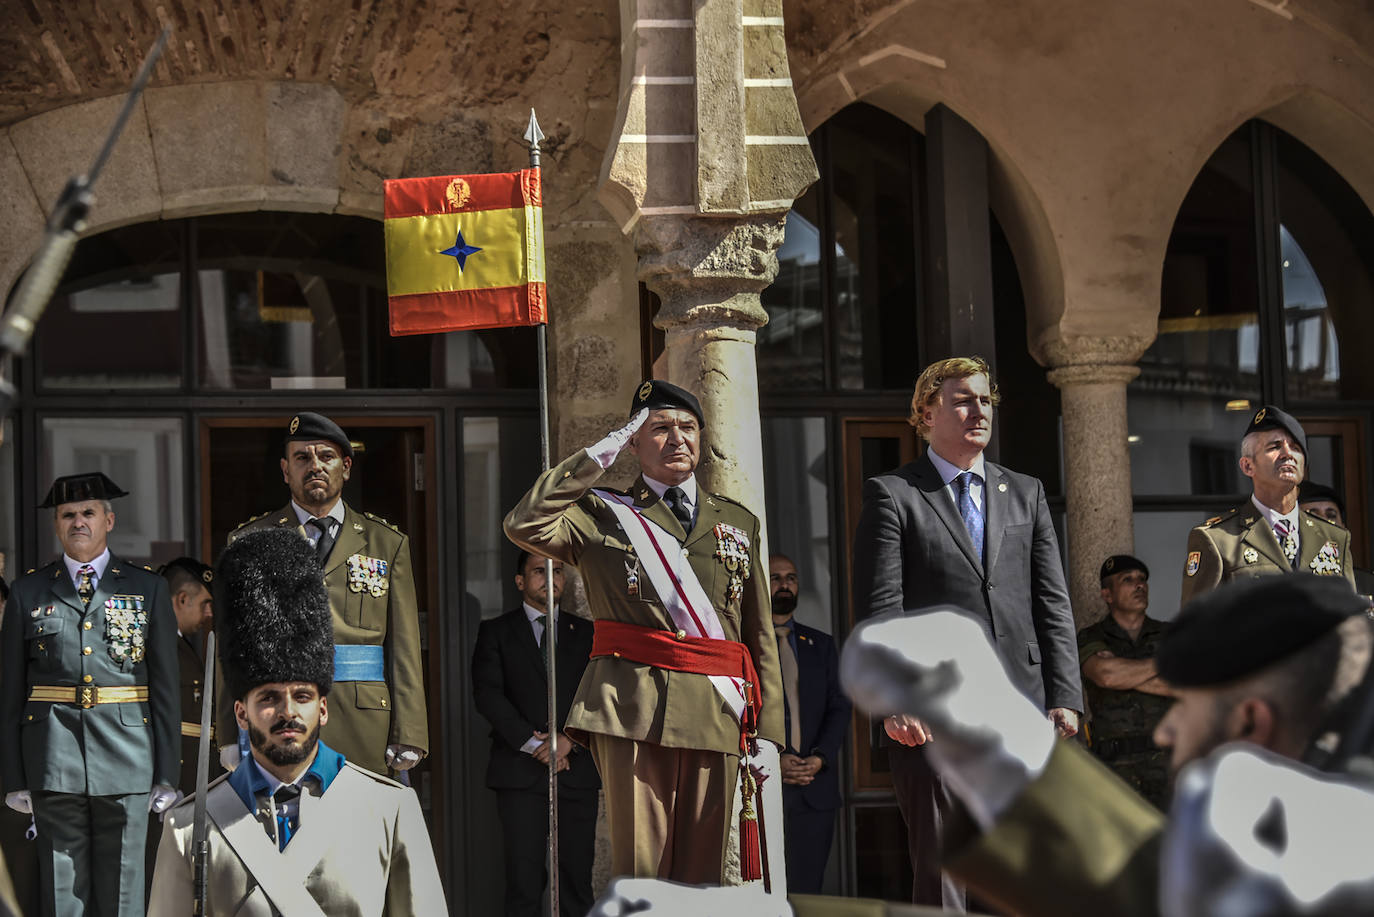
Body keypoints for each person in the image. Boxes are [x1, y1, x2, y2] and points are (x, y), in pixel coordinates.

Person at [839, 573, 1373, 917]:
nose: (1165, 731)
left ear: (1252, 721)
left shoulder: (1311, 854)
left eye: (1183, 706)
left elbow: (1145, 893)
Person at [504, 379, 784, 885]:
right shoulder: (601, 513)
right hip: (633, 706)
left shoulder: (736, 521)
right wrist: (596, 455)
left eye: (687, 427)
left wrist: (770, 732)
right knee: (643, 873)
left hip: (715, 709)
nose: (677, 438)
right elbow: (525, 523)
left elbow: (757, 633)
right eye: (659, 428)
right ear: (632, 443)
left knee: (703, 878)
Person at [849, 355, 1082, 910]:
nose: (979, 410)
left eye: (985, 400)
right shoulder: (894, 494)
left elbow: (1051, 601)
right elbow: (882, 607)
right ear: (925, 414)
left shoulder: (1025, 492)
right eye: (962, 399)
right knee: (946, 875)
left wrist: (1065, 696)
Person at [149, 528, 447, 915]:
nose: (288, 712)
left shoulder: (390, 809)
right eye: (269, 698)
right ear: (241, 713)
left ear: (323, 707)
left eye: (302, 696)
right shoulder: (187, 827)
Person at [0, 472, 180, 917]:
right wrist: (12, 776)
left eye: (88, 512)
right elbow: (8, 692)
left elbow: (165, 688)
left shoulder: (147, 587)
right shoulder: (27, 591)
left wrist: (167, 772)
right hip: (51, 756)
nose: (78, 521)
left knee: (123, 892)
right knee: (62, 893)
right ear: (56, 525)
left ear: (109, 520)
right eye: (67, 514)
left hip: (128, 756)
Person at [223, 412, 427, 776]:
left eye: (326, 457)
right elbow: (233, 642)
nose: (314, 466)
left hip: (363, 717)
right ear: (286, 471)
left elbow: (405, 646)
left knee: (361, 826)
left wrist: (409, 730)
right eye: (302, 458)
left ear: (345, 467)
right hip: (281, 716)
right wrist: (228, 733)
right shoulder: (251, 540)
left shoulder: (386, 543)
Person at [472, 551, 600, 917]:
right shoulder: (496, 631)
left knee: (577, 881)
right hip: (519, 771)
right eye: (538, 571)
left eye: (556, 570)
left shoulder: (588, 633)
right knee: (524, 882)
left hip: (575, 772)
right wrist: (535, 745)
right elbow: (488, 695)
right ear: (520, 581)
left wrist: (569, 741)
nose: (550, 578)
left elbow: (599, 695)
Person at [1181, 405, 1355, 604]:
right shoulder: (1218, 539)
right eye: (1274, 447)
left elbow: (1348, 617)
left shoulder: (1334, 538)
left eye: (1296, 448)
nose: (1287, 453)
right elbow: (1197, 627)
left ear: (1303, 466)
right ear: (1248, 466)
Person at [768, 554, 850, 895]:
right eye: (775, 578)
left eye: (791, 577)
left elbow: (839, 708)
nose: (785, 584)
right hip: (763, 789)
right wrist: (774, 759)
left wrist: (818, 758)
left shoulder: (822, 645)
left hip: (814, 790)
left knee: (806, 890)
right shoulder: (744, 644)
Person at [1077, 555, 1173, 809]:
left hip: (1168, 766)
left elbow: (1186, 685)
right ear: (1107, 595)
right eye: (1127, 580)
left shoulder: (1172, 635)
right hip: (1112, 768)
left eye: (1142, 580)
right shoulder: (1091, 637)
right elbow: (1105, 675)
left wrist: (1124, 673)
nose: (1139, 585)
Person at [158, 558, 219, 793]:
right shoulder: (157, 645)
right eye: (205, 603)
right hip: (177, 779)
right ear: (182, 599)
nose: (209, 613)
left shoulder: (179, 645)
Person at [1298, 480, 1374, 596]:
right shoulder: (1286, 583)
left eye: (1331, 516)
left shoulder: (1368, 583)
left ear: (1343, 527)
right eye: (1312, 515)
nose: (1326, 523)